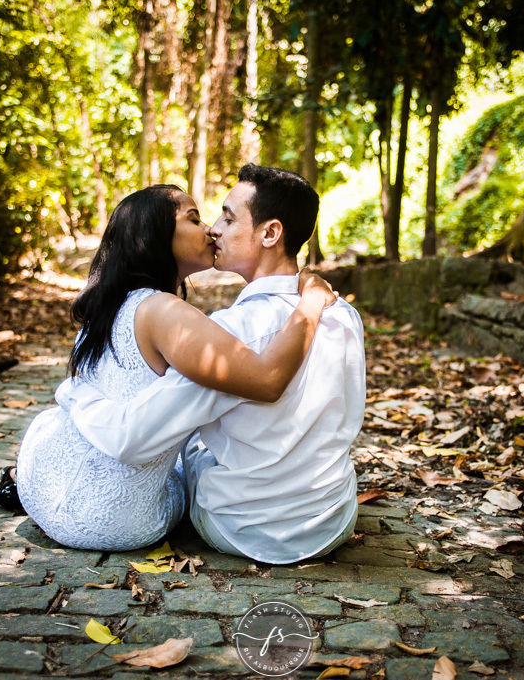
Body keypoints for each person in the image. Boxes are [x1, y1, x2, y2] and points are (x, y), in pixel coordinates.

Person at [0, 184, 337, 551]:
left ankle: (16, 477)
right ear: (152, 236)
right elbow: (266, 380)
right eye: (194, 219)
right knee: (195, 462)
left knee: (56, 422)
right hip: (117, 520)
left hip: (42, 485)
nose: (211, 230)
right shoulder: (165, 312)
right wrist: (311, 302)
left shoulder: (108, 303)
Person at [55, 164, 366, 564]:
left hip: (246, 529)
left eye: (228, 217)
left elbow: (131, 438)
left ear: (270, 233)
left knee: (191, 446)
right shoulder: (341, 312)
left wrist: (74, 392)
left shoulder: (230, 333)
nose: (214, 229)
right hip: (332, 519)